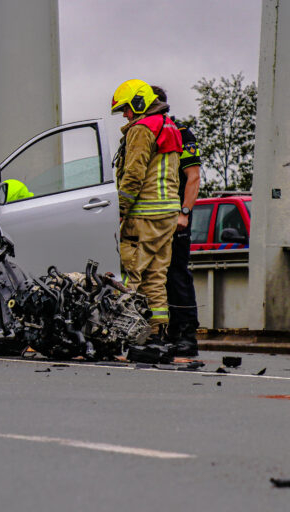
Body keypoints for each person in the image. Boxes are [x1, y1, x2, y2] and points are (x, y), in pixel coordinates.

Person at [110, 79, 182, 344]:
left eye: (127, 109)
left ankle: (120, 335)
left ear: (139, 103)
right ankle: (157, 335)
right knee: (156, 277)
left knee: (129, 275)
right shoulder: (169, 126)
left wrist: (119, 210)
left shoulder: (141, 129)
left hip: (144, 215)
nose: (126, 115)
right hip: (167, 215)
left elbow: (134, 174)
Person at [151, 85, 201, 356]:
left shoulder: (180, 132)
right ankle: (162, 332)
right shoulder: (147, 133)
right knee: (156, 276)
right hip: (151, 217)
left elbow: (192, 177)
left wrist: (185, 213)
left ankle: (186, 334)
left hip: (174, 217)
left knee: (176, 273)